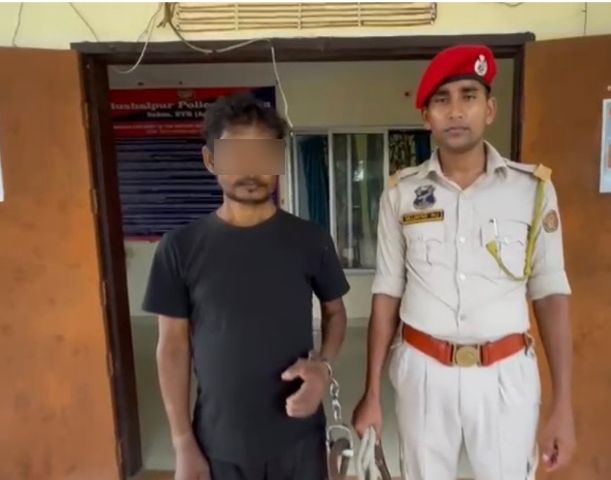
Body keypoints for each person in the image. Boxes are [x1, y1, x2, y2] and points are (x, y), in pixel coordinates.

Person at [351, 44, 576, 479]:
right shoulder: (401, 193)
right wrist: (372, 393)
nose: (455, 111)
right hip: (423, 373)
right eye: (442, 100)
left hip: (505, 376)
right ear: (426, 117)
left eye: (468, 96)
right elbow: (387, 291)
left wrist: (563, 405)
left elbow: (550, 293)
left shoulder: (532, 191)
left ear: (489, 109)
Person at [143, 92, 350, 480]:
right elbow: (171, 347)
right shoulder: (179, 247)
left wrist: (323, 366)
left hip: (299, 440)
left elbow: (335, 313)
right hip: (219, 442)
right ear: (210, 160)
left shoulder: (310, 239)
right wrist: (182, 443)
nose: (250, 170)